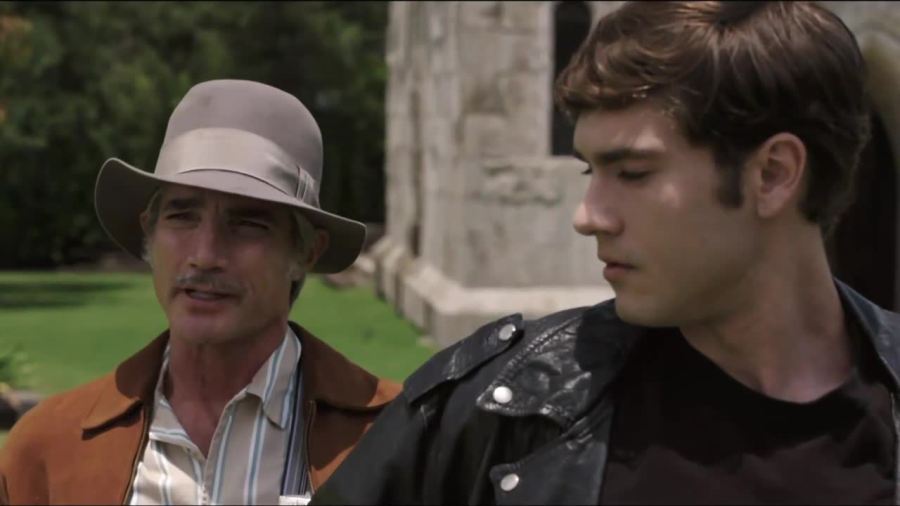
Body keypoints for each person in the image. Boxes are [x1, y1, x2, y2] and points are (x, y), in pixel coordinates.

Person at [311, 2, 900, 504]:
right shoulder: (501, 408)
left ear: (772, 174)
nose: (587, 216)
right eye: (590, 171)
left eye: (633, 173)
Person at [0, 79, 401, 505]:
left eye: (247, 224)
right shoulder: (48, 452)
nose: (205, 255)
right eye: (182, 216)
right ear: (149, 235)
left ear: (305, 252)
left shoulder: (395, 441)